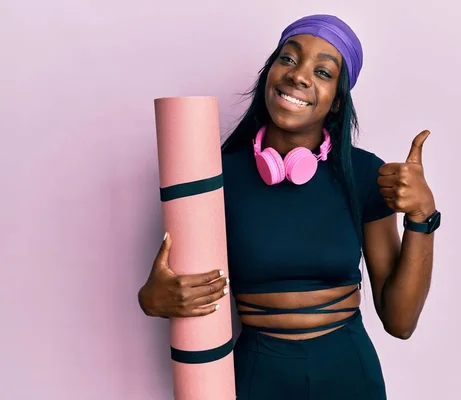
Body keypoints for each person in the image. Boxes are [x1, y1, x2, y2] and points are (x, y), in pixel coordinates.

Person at [138, 14, 440, 399]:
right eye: (289, 58)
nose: (299, 76)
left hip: (349, 371)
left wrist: (421, 217)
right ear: (270, 72)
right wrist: (151, 300)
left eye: (323, 72)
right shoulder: (216, 176)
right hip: (256, 375)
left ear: (336, 102)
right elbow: (175, 283)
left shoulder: (364, 173)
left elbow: (400, 321)